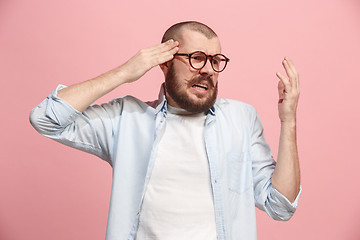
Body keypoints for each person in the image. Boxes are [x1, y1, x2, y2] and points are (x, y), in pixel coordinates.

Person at [30, 21, 301, 240]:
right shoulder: (127, 119)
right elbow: (46, 118)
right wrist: (124, 72)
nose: (208, 70)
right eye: (197, 58)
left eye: (215, 60)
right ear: (165, 63)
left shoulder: (241, 119)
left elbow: (280, 205)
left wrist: (288, 122)